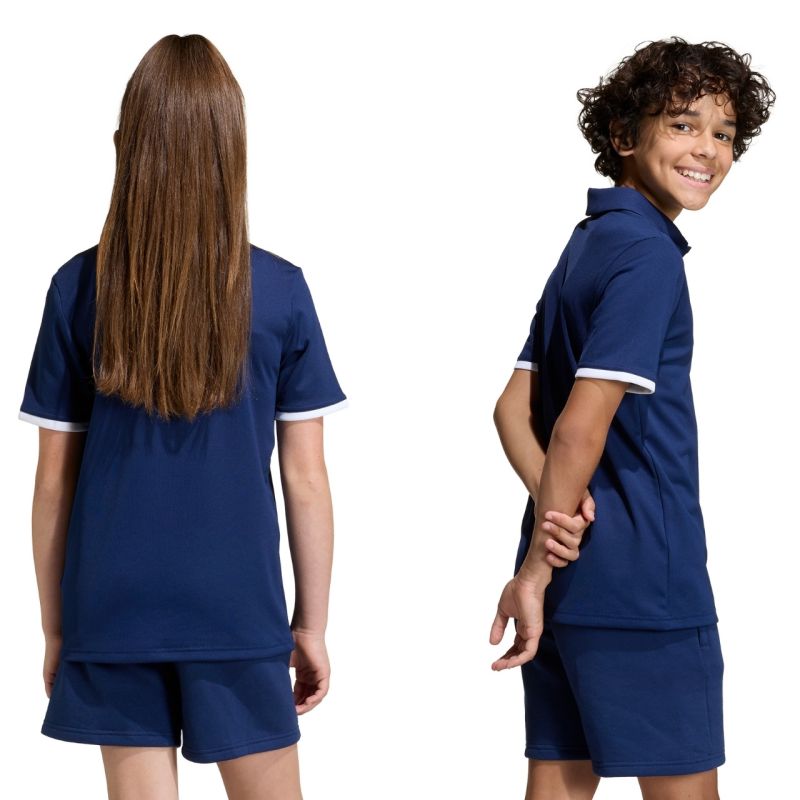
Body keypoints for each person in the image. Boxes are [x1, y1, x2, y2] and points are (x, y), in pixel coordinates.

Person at [18, 34, 347, 800]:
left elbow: (52, 485)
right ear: (231, 148)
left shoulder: (77, 288)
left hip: (111, 608)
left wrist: (57, 627)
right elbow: (305, 480)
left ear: (127, 145)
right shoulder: (281, 291)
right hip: (236, 608)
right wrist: (310, 625)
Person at [488, 37, 775, 798]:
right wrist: (538, 561)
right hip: (645, 582)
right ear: (623, 134)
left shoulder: (589, 241)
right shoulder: (648, 254)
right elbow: (577, 427)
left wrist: (556, 524)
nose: (708, 148)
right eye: (683, 124)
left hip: (571, 584)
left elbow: (512, 408)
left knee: (559, 782)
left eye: (724, 133)